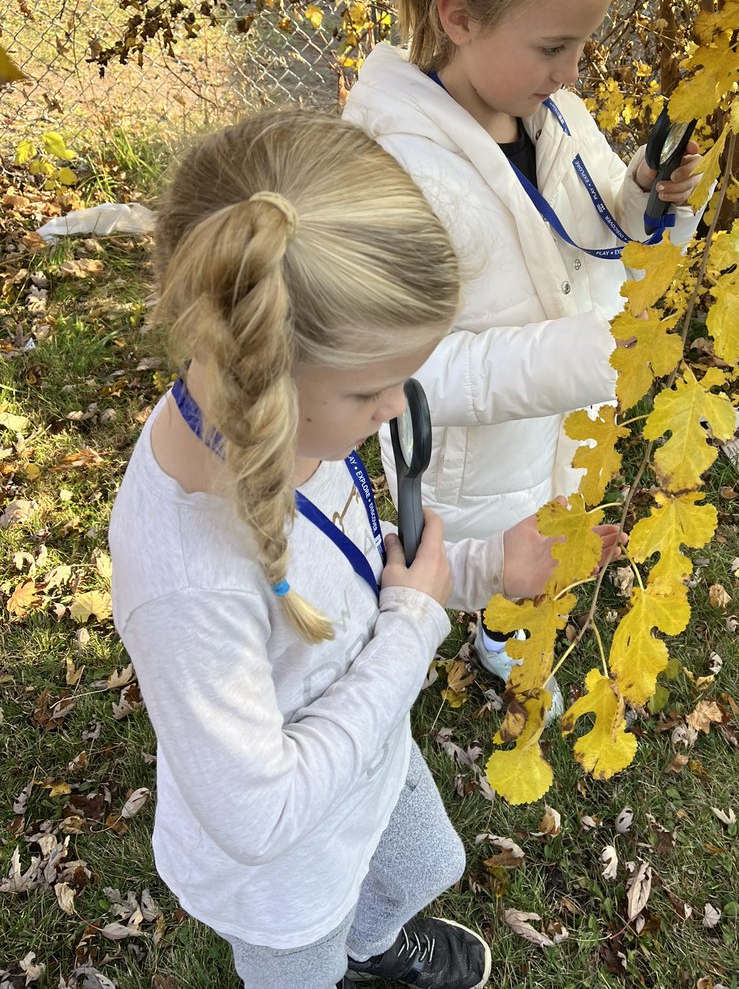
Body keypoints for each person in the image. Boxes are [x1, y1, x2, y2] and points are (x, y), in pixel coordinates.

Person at [109, 109, 621, 989]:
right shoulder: (187, 577)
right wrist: (414, 633)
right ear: (261, 372)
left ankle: (371, 948)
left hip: (368, 761)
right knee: (303, 970)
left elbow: (357, 579)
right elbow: (260, 814)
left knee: (429, 868)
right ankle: (336, 963)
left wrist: (487, 568)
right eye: (373, 388)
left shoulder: (297, 434)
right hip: (286, 878)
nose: (396, 409)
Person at [343, 0, 708, 715]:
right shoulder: (397, 173)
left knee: (547, 548)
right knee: (502, 559)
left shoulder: (551, 111)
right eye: (555, 45)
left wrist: (646, 196)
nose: (574, 72)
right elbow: (405, 376)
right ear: (459, 16)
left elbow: (584, 234)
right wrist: (585, 356)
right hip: (473, 466)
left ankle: (512, 626)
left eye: (582, 44)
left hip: (553, 430)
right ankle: (489, 627)